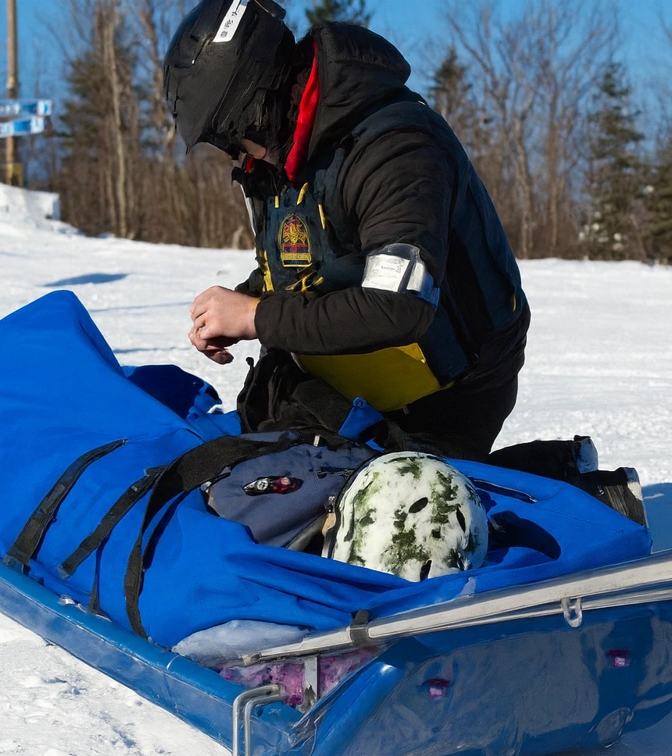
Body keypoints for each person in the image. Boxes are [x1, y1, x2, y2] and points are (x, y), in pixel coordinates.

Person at [164, 0, 529, 460]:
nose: (233, 153)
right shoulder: (283, 158)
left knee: (376, 514)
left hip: (449, 388)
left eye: (227, 135)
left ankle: (566, 486)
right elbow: (306, 263)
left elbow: (399, 306)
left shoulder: (395, 149)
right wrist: (236, 307)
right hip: (362, 371)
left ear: (255, 106)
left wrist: (256, 316)